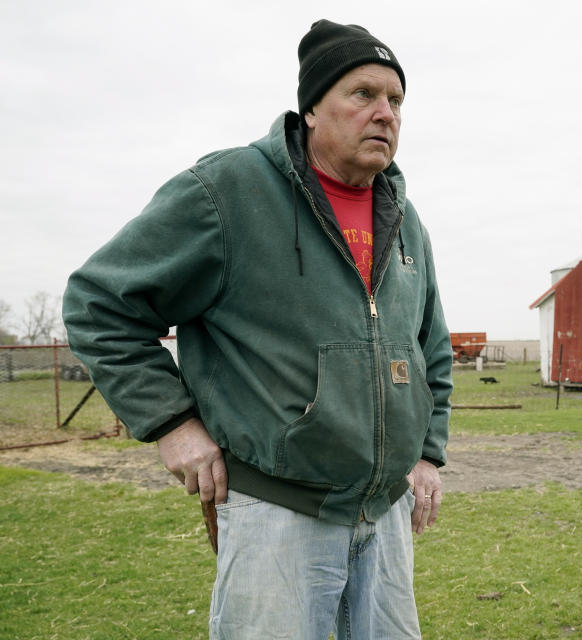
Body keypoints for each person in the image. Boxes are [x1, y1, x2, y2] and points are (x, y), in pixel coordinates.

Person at [62, 19, 453, 640]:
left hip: (384, 515)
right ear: (313, 108)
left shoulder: (404, 219)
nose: (386, 113)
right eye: (364, 94)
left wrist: (428, 454)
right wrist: (171, 424)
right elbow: (99, 302)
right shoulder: (229, 190)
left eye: (397, 100)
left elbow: (430, 348)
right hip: (277, 514)